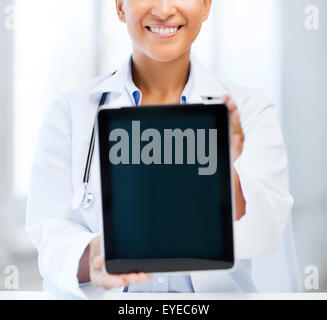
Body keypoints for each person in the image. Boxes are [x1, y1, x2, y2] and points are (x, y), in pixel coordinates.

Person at [26, 0, 293, 299]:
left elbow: (266, 232)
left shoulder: (249, 109)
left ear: (206, 6)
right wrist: (93, 259)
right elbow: (49, 235)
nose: (164, 10)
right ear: (119, 6)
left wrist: (220, 168)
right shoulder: (70, 112)